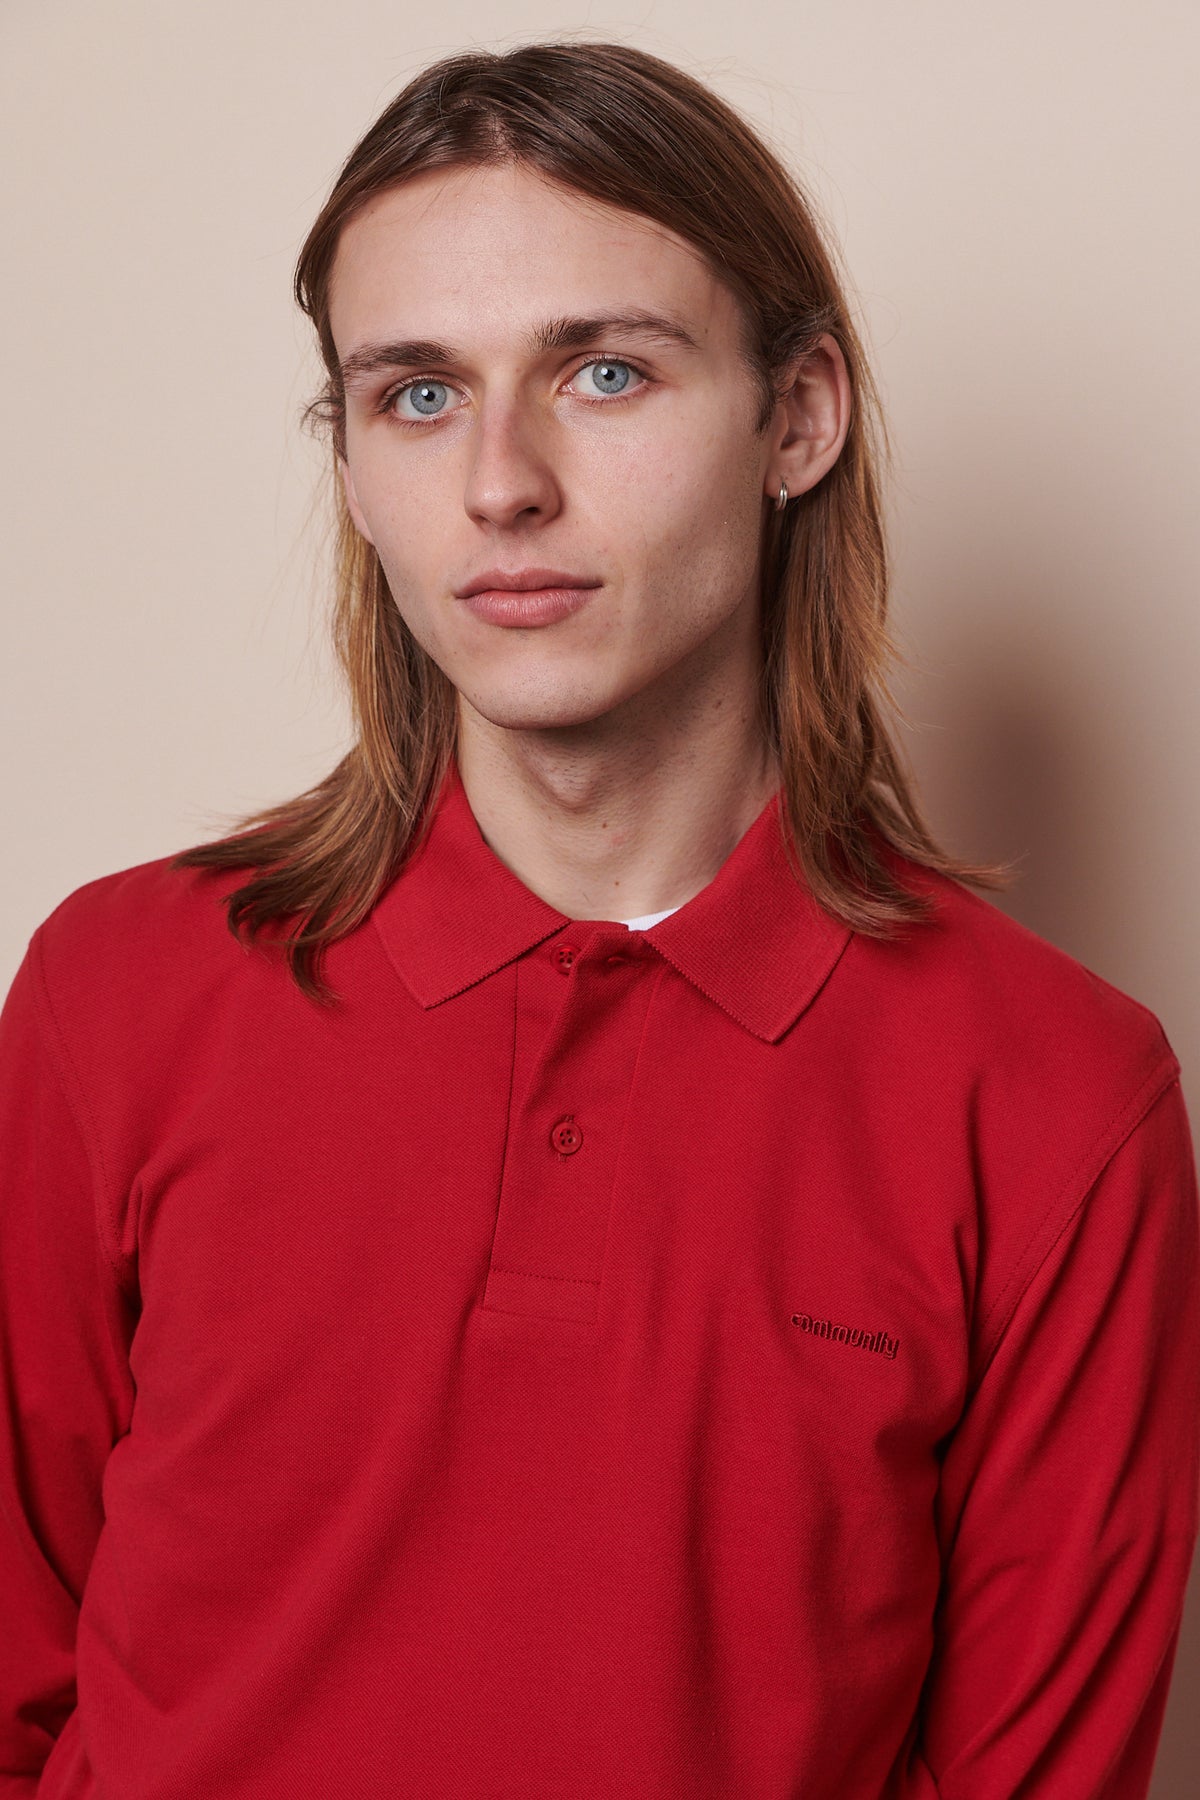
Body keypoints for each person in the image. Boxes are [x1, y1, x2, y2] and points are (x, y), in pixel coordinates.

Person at [1, 39, 1197, 1800]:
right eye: (415, 393)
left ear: (799, 417)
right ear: (349, 455)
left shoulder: (1057, 1101)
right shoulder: (116, 994)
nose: (501, 483)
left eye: (607, 373)